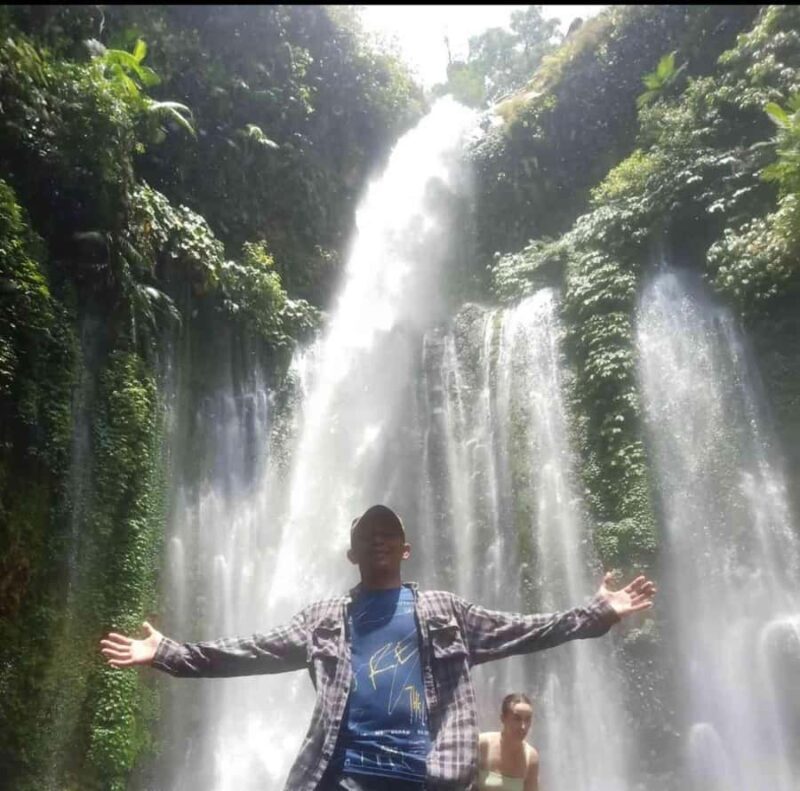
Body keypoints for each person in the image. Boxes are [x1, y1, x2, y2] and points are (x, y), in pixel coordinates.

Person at [100, 504, 656, 791]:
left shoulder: (446, 611)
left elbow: (527, 628)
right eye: (368, 533)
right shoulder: (324, 619)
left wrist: (599, 611)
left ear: (406, 549)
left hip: (427, 779)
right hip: (342, 779)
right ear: (352, 553)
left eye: (388, 532)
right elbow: (250, 650)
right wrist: (168, 652)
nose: (379, 538)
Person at [478, 693, 539, 791]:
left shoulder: (530, 756)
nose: (523, 726)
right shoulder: (483, 744)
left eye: (528, 719)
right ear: (503, 718)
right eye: (517, 719)